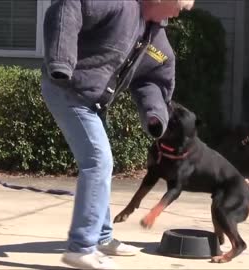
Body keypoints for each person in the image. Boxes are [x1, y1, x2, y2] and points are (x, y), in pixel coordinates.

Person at [40, 0, 194, 269]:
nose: (179, 12)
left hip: (93, 101)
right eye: (179, 5)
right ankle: (81, 247)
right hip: (67, 91)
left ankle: (101, 237)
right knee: (98, 163)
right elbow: (68, 6)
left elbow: (153, 79)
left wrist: (155, 115)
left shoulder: (155, 38)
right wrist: (61, 60)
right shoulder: (118, 5)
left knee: (102, 166)